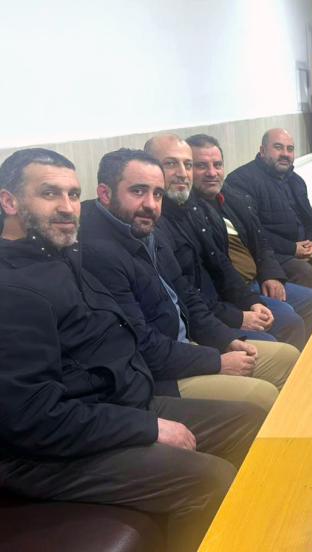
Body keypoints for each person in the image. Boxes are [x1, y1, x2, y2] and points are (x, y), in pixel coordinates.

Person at [0, 148, 264, 552]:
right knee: (211, 480)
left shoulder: (64, 255)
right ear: (9, 202)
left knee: (251, 420)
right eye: (49, 194)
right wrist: (147, 428)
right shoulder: (14, 290)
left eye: (74, 194)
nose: (68, 208)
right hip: (46, 454)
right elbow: (33, 419)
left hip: (120, 404)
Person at [80, 148, 299, 412]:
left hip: (185, 348)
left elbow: (189, 297)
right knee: (260, 397)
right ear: (105, 194)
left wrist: (226, 339)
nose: (151, 204)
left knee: (286, 356)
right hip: (154, 376)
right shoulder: (97, 253)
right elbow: (141, 346)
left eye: (157, 194)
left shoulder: (149, 232)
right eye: (138, 191)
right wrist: (216, 361)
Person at [186, 133, 312, 340]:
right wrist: (248, 302)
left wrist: (271, 274)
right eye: (201, 166)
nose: (212, 173)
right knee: (289, 317)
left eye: (217, 165)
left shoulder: (231, 197)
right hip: (232, 293)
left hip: (256, 278)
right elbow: (216, 274)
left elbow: (259, 240)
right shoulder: (192, 212)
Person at [225, 128, 312, 305]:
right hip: (273, 255)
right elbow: (252, 232)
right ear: (262, 151)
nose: (285, 154)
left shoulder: (295, 180)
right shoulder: (241, 181)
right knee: (304, 272)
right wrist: (292, 248)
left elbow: (311, 220)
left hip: (304, 249)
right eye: (278, 147)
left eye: (290, 149)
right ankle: (311, 318)